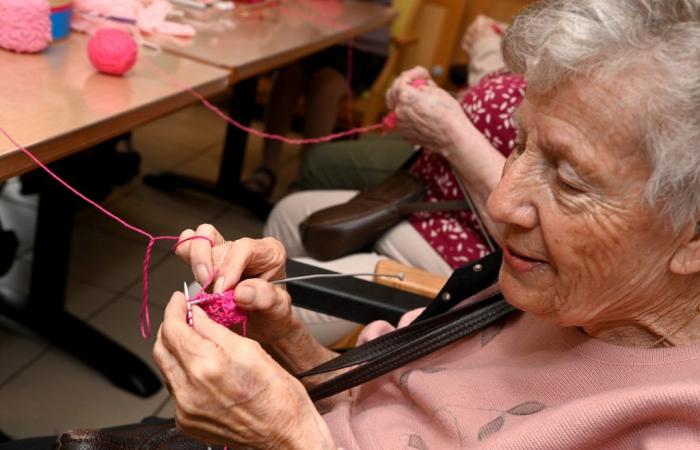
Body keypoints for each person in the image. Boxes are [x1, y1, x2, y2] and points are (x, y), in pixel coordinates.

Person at [4, 0, 700, 448]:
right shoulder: (548, 289)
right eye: (518, 144)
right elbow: (393, 399)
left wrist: (288, 437)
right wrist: (288, 341)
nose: (502, 201)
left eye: (570, 180)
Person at [242, 0, 391, 198]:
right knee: (287, 74)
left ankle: (308, 179)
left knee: (325, 88)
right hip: (314, 36)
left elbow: (368, 10)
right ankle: (266, 168)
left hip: (361, 48)